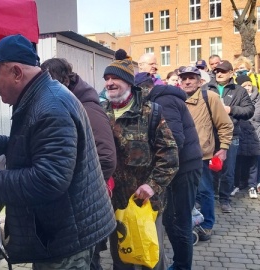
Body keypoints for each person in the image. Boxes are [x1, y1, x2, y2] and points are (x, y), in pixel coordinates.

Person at [0, 34, 116, 268]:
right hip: (62, 233)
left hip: (65, 241)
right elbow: (32, 146)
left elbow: (49, 179)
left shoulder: (50, 106)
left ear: (17, 73)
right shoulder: (41, 97)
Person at [100, 55, 179, 270]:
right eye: (106, 78)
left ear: (128, 82)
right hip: (115, 205)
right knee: (122, 259)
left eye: (114, 77)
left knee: (150, 258)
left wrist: (152, 186)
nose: (109, 83)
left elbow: (170, 155)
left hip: (145, 204)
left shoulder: (150, 112)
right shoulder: (101, 113)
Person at [40, 58, 116, 270]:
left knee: (90, 263)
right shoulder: (69, 102)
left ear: (60, 81)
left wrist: (81, 189)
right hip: (80, 212)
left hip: (85, 210)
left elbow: (107, 157)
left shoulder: (87, 108)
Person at [135, 72, 203, 270]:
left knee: (178, 222)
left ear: (144, 88)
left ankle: (181, 266)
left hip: (182, 169)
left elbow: (174, 141)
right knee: (176, 221)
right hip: (184, 166)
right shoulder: (164, 97)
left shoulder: (163, 100)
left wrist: (154, 165)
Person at [179, 66, 233, 241]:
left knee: (204, 191)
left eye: (191, 78)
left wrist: (223, 148)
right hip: (179, 156)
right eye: (184, 78)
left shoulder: (209, 97)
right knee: (184, 193)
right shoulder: (176, 99)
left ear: (199, 81)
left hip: (202, 156)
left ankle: (207, 225)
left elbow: (225, 125)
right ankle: (186, 222)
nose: (187, 81)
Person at [204, 60, 254, 213]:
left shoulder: (239, 90)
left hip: (231, 136)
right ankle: (209, 198)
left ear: (231, 73)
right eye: (217, 70)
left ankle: (225, 199)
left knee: (228, 170)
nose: (219, 73)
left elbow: (249, 111)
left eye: (223, 71)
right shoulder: (206, 88)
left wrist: (230, 109)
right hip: (209, 135)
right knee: (208, 169)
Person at [233, 75, 260, 198]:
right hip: (241, 134)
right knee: (239, 162)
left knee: (254, 162)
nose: (248, 88)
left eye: (249, 85)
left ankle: (252, 186)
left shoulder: (258, 99)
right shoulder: (238, 98)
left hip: (256, 134)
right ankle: (238, 184)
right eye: (245, 86)